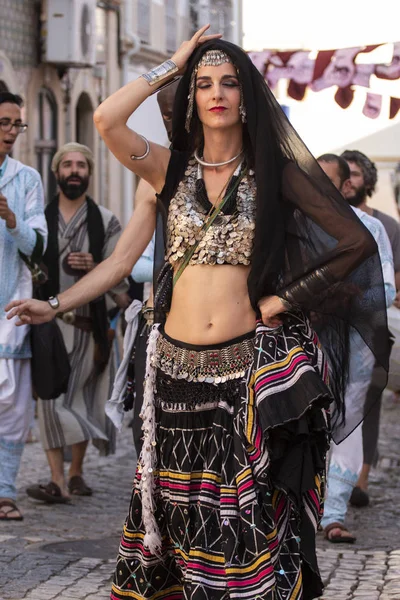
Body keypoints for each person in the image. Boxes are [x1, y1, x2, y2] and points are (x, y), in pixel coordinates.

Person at [6, 28, 390, 599]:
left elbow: (353, 244)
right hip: (173, 376)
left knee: (244, 520)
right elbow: (108, 124)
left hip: (245, 374)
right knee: (177, 515)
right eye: (204, 84)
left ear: (246, 95)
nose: (216, 93)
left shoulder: (277, 177)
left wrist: (285, 299)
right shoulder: (168, 171)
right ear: (189, 95)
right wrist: (173, 63)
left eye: (229, 83)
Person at [25, 142, 129, 504]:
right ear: (56, 172)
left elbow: (121, 265)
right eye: (67, 165)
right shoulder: (39, 217)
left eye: (80, 165)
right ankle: (57, 479)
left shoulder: (105, 219)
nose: (73, 171)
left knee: (82, 399)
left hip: (90, 324)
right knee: (51, 401)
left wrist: (97, 268)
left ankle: (75, 472)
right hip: (48, 324)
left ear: (88, 172)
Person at [317, 154, 395, 543]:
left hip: (356, 342)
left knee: (347, 425)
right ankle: (298, 510)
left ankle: (333, 514)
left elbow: (388, 288)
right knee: (303, 421)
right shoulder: (296, 224)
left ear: (347, 185)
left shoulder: (372, 229)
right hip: (306, 340)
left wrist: (351, 296)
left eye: (331, 180)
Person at [341, 149, 400, 508]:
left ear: (367, 181)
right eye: (342, 175)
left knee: (368, 402)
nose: (348, 181)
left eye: (355, 175)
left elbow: (393, 281)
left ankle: (360, 477)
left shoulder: (387, 227)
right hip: (331, 327)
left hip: (373, 328)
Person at [0, 92, 47, 520]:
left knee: (12, 404)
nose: (12, 132)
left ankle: (5, 491)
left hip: (10, 307)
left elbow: (38, 245)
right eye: (5, 123)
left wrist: (13, 222)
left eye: (18, 124)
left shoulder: (26, 178)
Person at [127, 80, 180, 455]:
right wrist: (170, 67)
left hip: (228, 332)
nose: (172, 120)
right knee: (147, 428)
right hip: (159, 319)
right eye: (165, 114)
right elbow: (129, 262)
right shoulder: (154, 173)